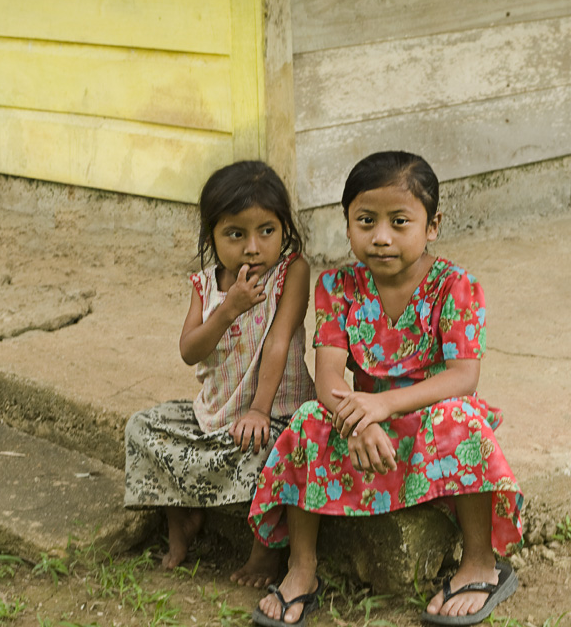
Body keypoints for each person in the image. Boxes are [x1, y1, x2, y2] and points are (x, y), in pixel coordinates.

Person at [249, 151, 523, 626]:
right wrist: (355, 418)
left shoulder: (456, 286)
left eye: (400, 222)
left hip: (429, 430)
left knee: (463, 418)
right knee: (308, 420)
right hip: (365, 433)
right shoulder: (337, 286)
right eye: (365, 221)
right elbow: (330, 376)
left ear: (432, 225)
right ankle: (302, 566)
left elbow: (462, 376)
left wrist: (380, 405)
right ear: (347, 223)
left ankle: (480, 562)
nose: (380, 237)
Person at [125, 160, 315, 588]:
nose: (253, 247)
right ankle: (182, 518)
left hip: (275, 415)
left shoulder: (292, 273)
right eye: (235, 234)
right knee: (141, 427)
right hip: (213, 417)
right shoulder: (205, 285)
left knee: (281, 453)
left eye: (266, 230)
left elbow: (278, 342)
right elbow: (190, 351)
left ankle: (265, 552)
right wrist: (228, 308)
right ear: (211, 234)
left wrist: (260, 411)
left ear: (284, 228)